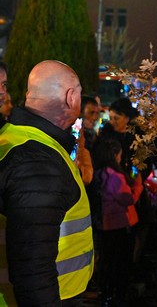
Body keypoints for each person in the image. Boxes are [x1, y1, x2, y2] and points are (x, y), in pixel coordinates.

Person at [0, 60, 94, 304]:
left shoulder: (20, 139)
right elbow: (33, 265)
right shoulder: (38, 160)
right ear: (71, 97)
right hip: (52, 297)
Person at [93, 136, 142, 306]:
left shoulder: (99, 173)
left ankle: (106, 294)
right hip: (119, 224)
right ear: (114, 155)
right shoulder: (114, 176)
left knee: (108, 260)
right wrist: (138, 186)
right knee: (121, 262)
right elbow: (127, 199)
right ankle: (118, 295)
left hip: (104, 224)